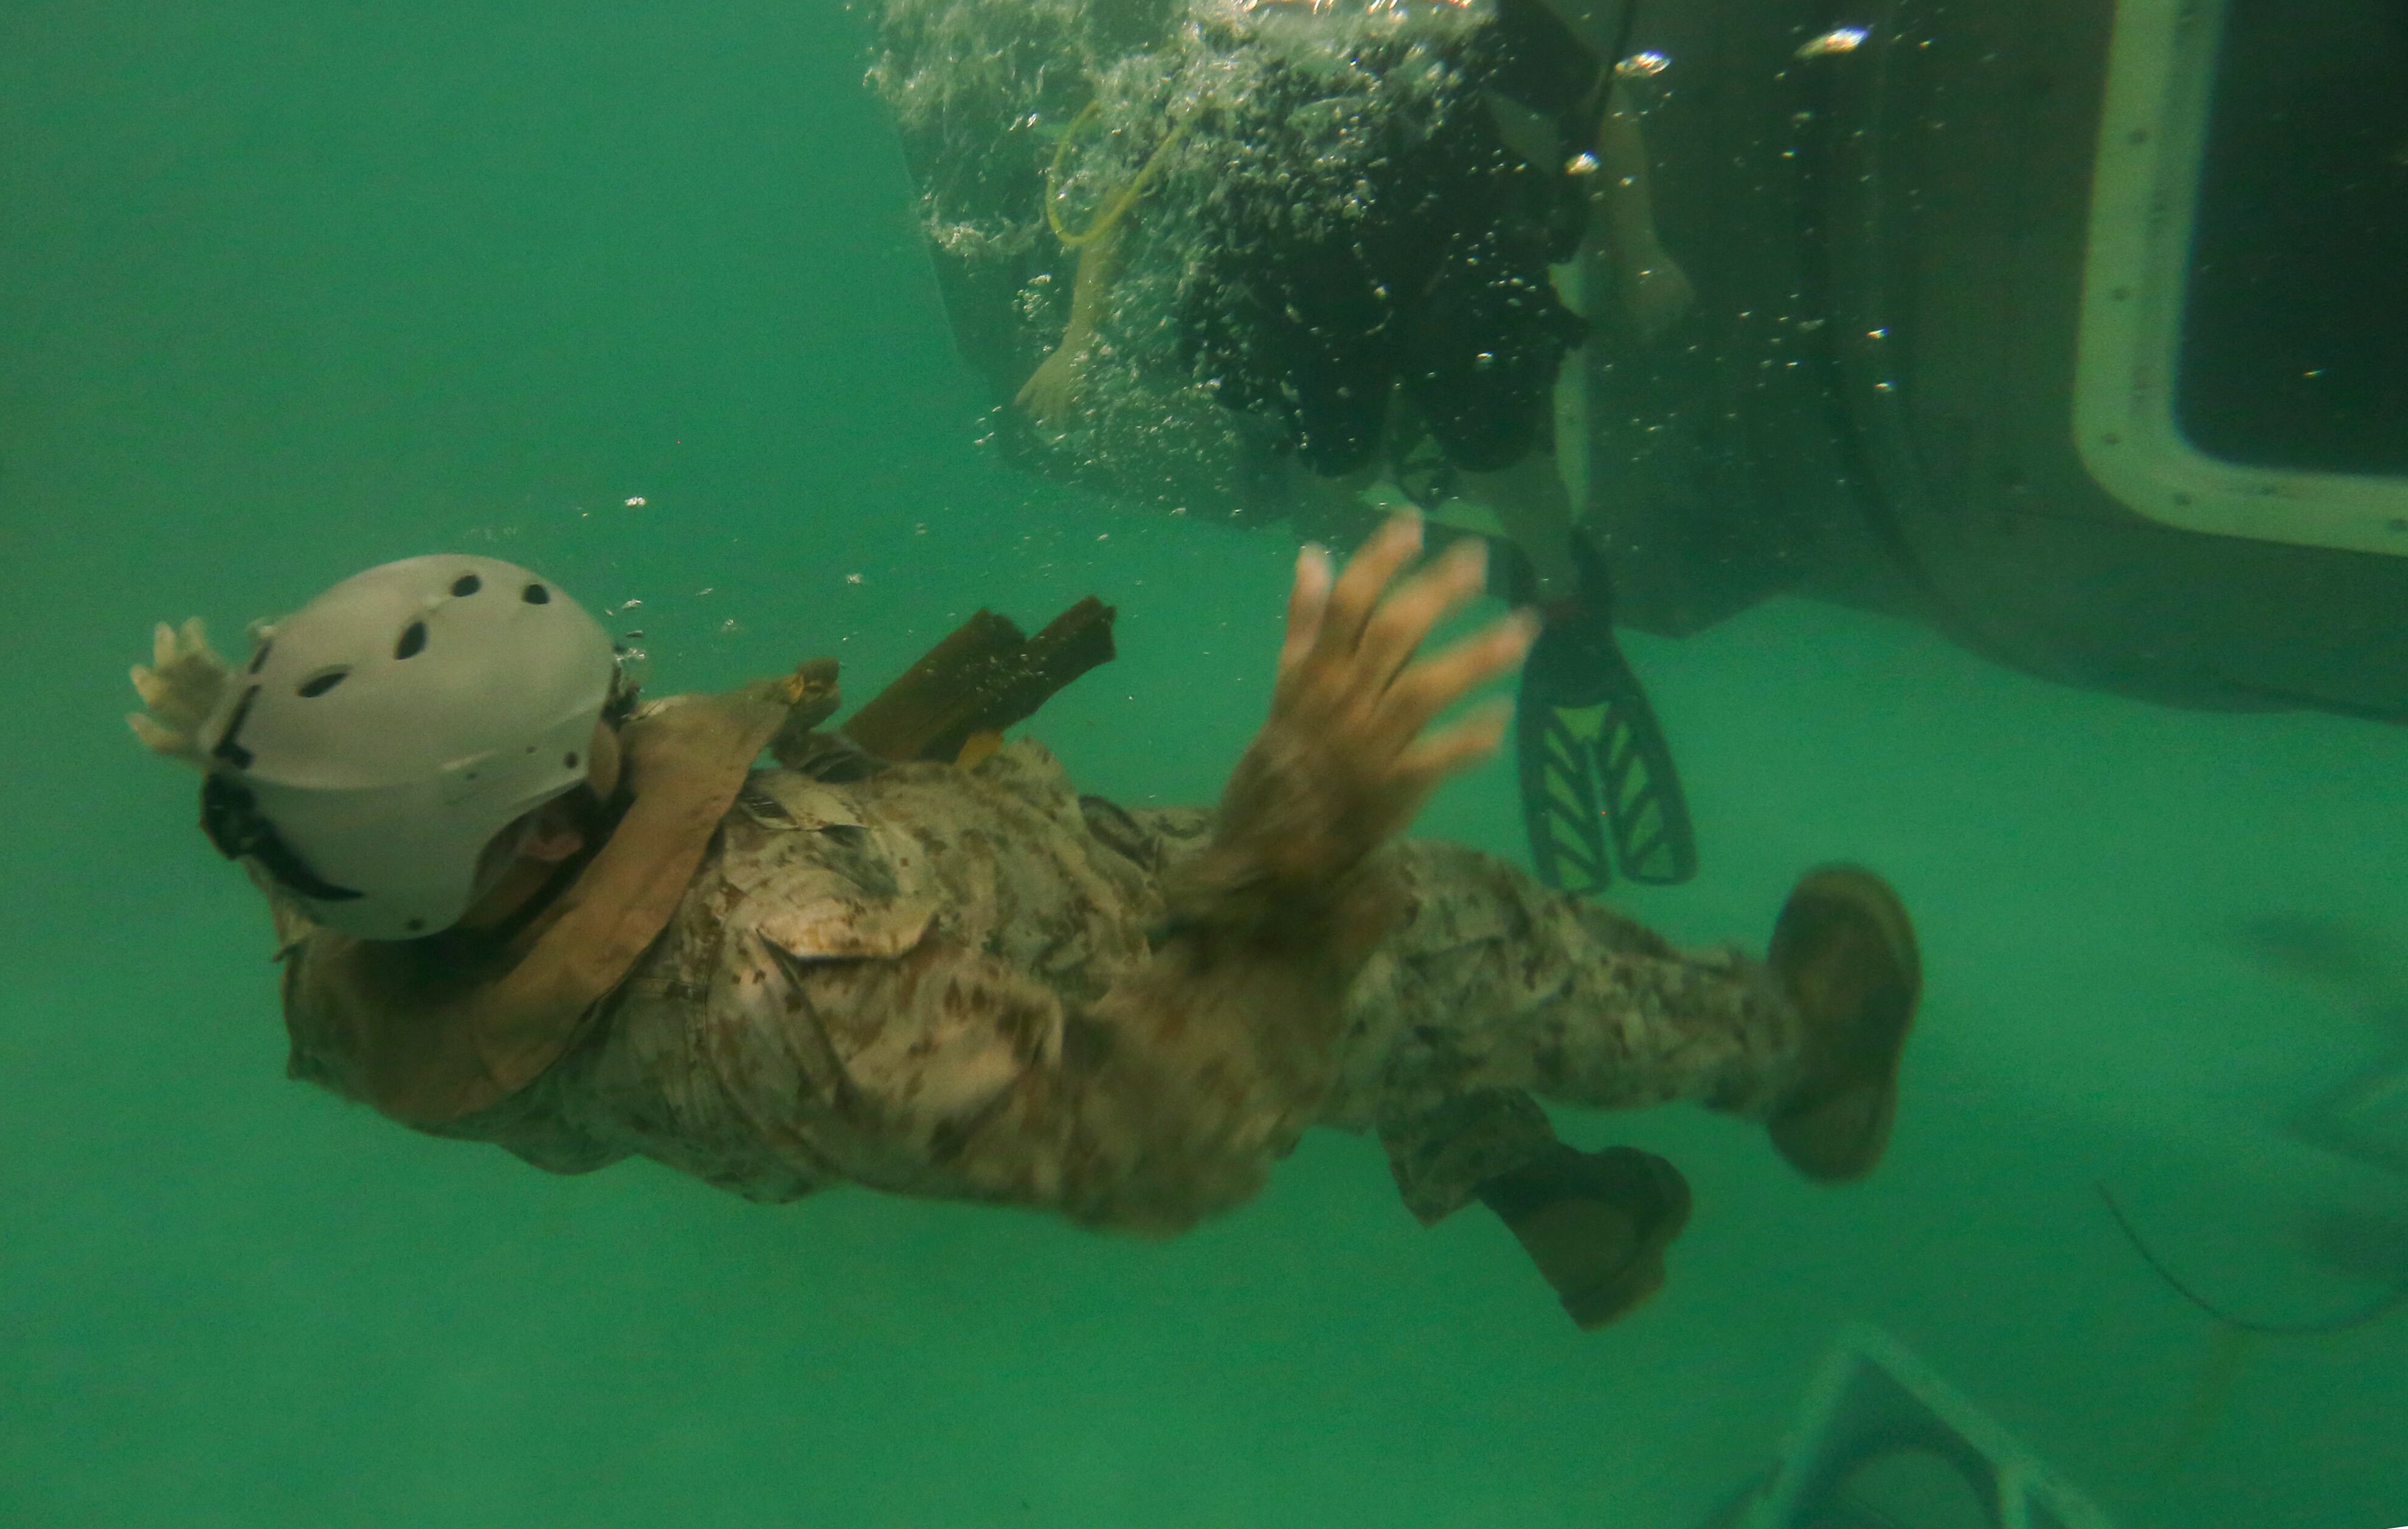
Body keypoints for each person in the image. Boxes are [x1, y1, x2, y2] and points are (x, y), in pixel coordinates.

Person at [130, 516, 1918, 1330]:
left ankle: (1562, 1208)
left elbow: (327, 852)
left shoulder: (357, 905)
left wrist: (249, 727)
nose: (635, 710)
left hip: (1001, 892)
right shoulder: (790, 981)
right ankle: (1805, 1064)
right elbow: (1156, 1141)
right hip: (1131, 981)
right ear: (528, 844)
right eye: (602, 721)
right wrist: (1305, 836)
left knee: (1406, 1020)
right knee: (1456, 945)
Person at [1017, 0, 1706, 894]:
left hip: (1451, 269)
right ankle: (1352, 633)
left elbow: (1598, 97)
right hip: (1309, 288)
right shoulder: (1235, 11)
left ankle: (1568, 596)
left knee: (1501, 461)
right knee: (1333, 474)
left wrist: (1641, 249)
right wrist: (1076, 336)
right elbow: (1125, 186)